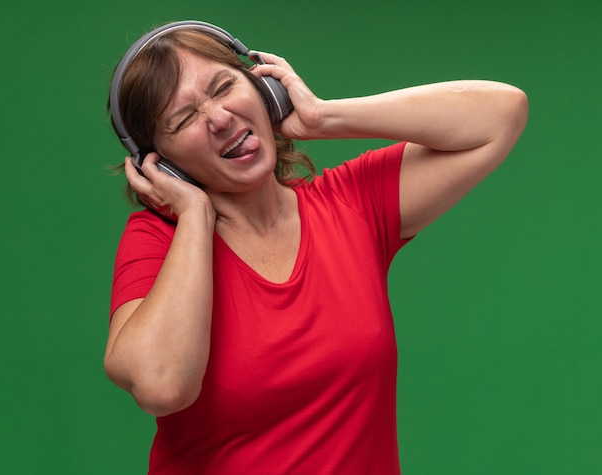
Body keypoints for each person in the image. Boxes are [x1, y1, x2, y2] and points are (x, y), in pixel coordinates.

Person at [104, 20, 528, 475]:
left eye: (225, 86)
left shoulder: (350, 205)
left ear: (265, 89)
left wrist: (323, 117)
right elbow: (163, 386)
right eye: (184, 119)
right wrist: (194, 217)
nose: (220, 117)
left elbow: (500, 115)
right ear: (162, 163)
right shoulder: (158, 242)